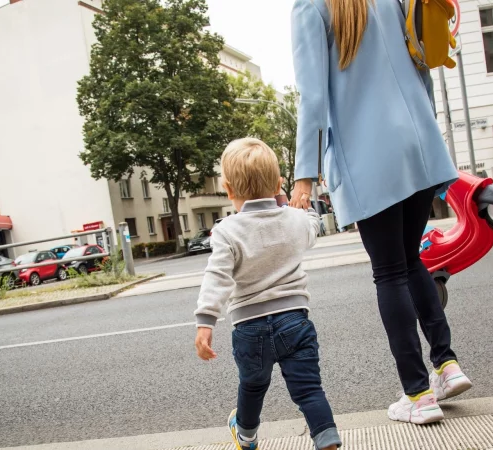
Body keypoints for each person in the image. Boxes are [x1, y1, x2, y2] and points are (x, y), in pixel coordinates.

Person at [290, 0, 472, 425]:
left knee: (389, 272)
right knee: (411, 262)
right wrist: (426, 130)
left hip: (369, 155)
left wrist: (305, 175)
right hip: (419, 145)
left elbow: (313, 96)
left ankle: (419, 395)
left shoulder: (311, 7)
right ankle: (447, 365)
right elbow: (422, 65)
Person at [193, 138, 341, 450]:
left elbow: (217, 276)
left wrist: (206, 321)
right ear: (277, 185)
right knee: (309, 390)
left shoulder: (226, 231)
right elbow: (314, 224)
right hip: (295, 322)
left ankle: (246, 437)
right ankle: (326, 437)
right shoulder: (294, 219)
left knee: (253, 384)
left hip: (249, 328)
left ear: (229, 190)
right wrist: (294, 203)